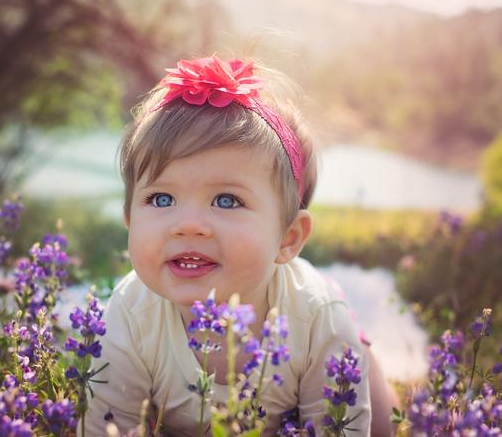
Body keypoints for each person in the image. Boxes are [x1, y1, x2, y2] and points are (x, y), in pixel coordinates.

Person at [79, 56, 392, 436]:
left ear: (288, 238)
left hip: (323, 352)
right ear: (129, 219)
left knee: (380, 417)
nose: (189, 225)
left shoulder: (315, 316)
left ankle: (364, 352)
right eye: (161, 199)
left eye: (226, 200)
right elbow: (106, 427)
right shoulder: (130, 312)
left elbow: (337, 430)